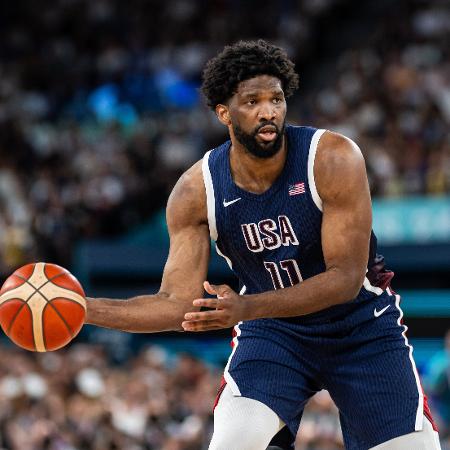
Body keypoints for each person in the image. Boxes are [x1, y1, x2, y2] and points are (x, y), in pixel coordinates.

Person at [86, 40, 441, 450]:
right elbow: (177, 304)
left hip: (360, 328)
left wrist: (245, 308)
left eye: (276, 98)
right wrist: (82, 310)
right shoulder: (195, 191)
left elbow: (344, 280)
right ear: (224, 112)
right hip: (276, 335)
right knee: (234, 443)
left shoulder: (332, 158)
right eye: (252, 101)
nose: (268, 111)